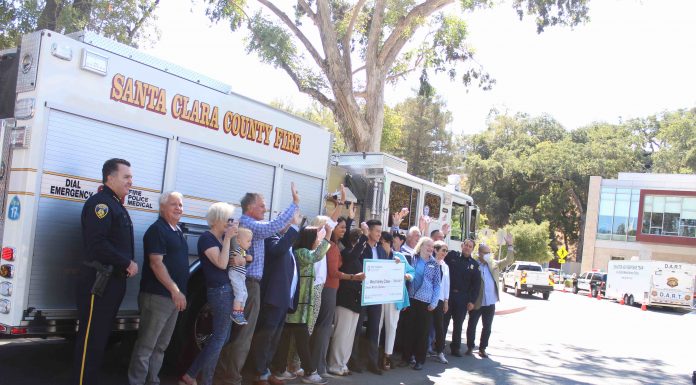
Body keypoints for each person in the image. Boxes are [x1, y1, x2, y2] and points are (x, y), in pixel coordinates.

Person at [214, 184, 300, 385]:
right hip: (248, 285)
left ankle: (231, 372)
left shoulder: (251, 224)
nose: (265, 209)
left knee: (243, 332)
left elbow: (273, 226)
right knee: (243, 334)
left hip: (252, 286)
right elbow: (274, 226)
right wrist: (294, 205)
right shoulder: (248, 223)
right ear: (250, 208)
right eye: (261, 206)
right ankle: (231, 377)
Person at [73, 158, 139, 385]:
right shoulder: (101, 204)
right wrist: (126, 262)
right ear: (110, 177)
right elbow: (97, 244)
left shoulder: (115, 204)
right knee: (91, 340)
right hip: (98, 282)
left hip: (112, 282)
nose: (131, 181)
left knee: (100, 339)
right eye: (126, 176)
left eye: (131, 177)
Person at [128, 192, 188, 385]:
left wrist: (179, 293)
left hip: (172, 298)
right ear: (162, 208)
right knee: (146, 346)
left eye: (180, 204)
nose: (178, 208)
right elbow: (156, 264)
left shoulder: (177, 230)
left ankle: (152, 381)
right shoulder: (157, 230)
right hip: (158, 296)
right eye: (173, 204)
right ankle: (136, 382)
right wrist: (175, 290)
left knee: (161, 346)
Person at [179, 202, 240, 385]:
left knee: (222, 337)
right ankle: (198, 377)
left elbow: (232, 261)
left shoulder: (221, 239)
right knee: (220, 337)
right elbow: (221, 264)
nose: (230, 223)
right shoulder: (207, 238)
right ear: (217, 220)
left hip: (226, 290)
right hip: (219, 291)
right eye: (228, 219)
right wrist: (228, 239)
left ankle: (198, 377)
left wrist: (231, 241)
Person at [271, 224, 333, 385]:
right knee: (302, 340)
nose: (318, 241)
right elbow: (317, 256)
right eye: (316, 238)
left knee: (287, 338)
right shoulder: (302, 253)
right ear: (309, 238)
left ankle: (281, 369)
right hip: (298, 306)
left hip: (295, 304)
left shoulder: (298, 252)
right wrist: (328, 235)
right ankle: (310, 372)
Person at [250, 210, 303, 385]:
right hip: (273, 299)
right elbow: (277, 250)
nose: (290, 224)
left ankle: (267, 370)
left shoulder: (286, 242)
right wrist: (294, 227)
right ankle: (259, 373)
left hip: (283, 299)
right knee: (265, 337)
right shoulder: (271, 238)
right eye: (287, 221)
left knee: (274, 339)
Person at [309, 202, 353, 377]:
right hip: (328, 289)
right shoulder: (330, 247)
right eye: (339, 226)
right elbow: (334, 272)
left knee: (322, 328)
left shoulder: (332, 245)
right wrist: (353, 277)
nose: (342, 229)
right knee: (324, 328)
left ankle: (318, 365)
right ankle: (319, 367)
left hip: (327, 288)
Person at [326, 225, 368, 376]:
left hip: (356, 299)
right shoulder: (346, 253)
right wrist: (365, 236)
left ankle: (343, 364)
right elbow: (352, 255)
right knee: (341, 333)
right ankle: (334, 364)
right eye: (361, 241)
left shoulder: (357, 256)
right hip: (345, 299)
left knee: (350, 335)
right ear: (355, 240)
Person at [465, 234, 514, 358]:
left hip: (490, 302)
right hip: (477, 302)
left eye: (489, 252)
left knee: (487, 327)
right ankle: (470, 347)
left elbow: (508, 260)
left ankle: (482, 348)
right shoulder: (474, 265)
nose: (488, 255)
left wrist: (510, 245)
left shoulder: (494, 264)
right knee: (472, 325)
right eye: (485, 253)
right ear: (479, 254)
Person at [349, 219, 387, 375]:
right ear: (369, 231)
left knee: (374, 329)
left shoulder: (382, 251)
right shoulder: (362, 248)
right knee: (357, 328)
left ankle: (372, 362)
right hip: (362, 293)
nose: (379, 234)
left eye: (380, 231)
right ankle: (353, 360)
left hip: (376, 296)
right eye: (377, 231)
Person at [400, 237, 440, 371]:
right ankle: (406, 358)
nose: (430, 248)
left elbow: (437, 285)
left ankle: (419, 360)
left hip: (426, 303)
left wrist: (434, 302)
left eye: (432, 246)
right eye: (428, 245)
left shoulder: (435, 264)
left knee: (422, 333)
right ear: (421, 246)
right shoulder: (413, 258)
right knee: (408, 330)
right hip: (411, 299)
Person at [377, 231, 414, 371]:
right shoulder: (377, 254)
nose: (381, 245)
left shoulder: (399, 256)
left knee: (392, 326)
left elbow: (412, 273)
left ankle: (388, 355)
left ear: (389, 243)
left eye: (383, 242)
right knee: (377, 325)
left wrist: (405, 275)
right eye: (380, 242)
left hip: (393, 296)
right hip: (378, 296)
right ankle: (374, 355)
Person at [443, 239, 480, 357]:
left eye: (470, 246)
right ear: (462, 245)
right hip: (448, 295)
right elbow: (441, 252)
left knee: (458, 324)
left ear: (472, 249)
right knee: (443, 322)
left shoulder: (474, 265)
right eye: (466, 245)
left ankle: (455, 348)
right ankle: (439, 346)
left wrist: (472, 301)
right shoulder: (452, 256)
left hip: (462, 297)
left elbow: (476, 286)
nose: (467, 248)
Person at [429, 241, 450, 364]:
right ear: (435, 250)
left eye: (446, 251)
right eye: (443, 250)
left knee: (439, 327)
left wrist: (446, 300)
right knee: (425, 326)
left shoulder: (445, 266)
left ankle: (440, 352)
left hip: (440, 300)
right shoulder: (429, 263)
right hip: (428, 298)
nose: (445, 253)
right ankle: (420, 351)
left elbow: (447, 284)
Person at [229, 227, 254, 325]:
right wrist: (246, 258)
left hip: (241, 276)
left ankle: (240, 313)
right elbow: (235, 259)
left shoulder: (243, 251)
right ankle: (235, 313)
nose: (250, 243)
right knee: (239, 294)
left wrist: (248, 258)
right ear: (238, 241)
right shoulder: (236, 249)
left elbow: (245, 260)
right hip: (235, 274)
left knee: (245, 294)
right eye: (248, 241)